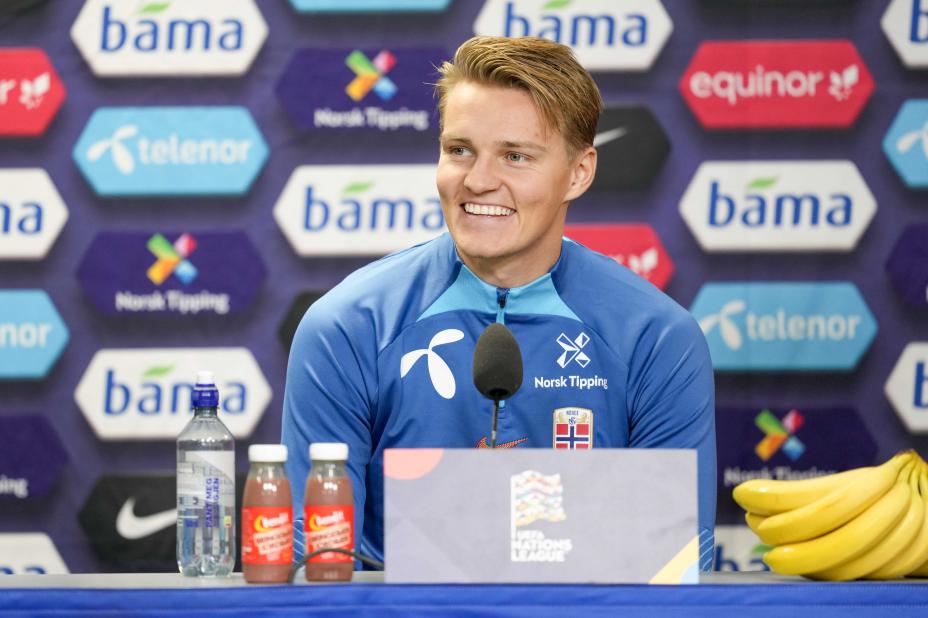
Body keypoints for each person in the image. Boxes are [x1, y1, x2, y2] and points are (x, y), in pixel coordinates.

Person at [282, 36, 717, 571]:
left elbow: (675, 562)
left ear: (578, 172)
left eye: (515, 156)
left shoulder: (658, 338)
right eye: (459, 150)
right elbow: (315, 562)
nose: (479, 181)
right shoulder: (346, 326)